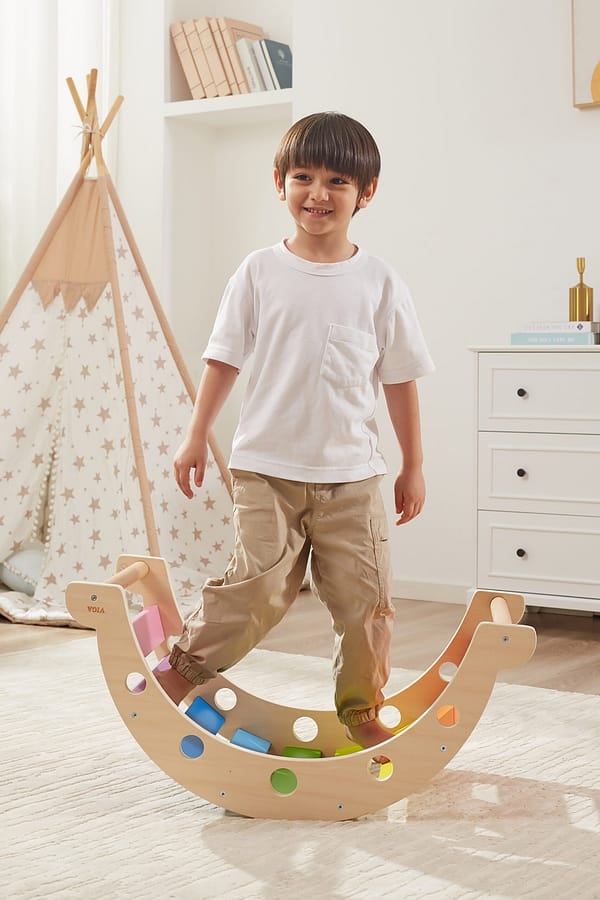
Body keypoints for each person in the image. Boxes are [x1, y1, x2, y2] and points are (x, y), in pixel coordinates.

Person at [157, 111, 435, 749]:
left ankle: (362, 711)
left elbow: (400, 380)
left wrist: (413, 464)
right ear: (279, 181)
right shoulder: (259, 271)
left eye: (338, 181)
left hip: (353, 478)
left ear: (366, 192)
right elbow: (223, 359)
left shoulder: (380, 282)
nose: (318, 194)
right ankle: (184, 666)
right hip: (266, 470)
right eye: (303, 177)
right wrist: (196, 435)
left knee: (366, 603)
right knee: (258, 588)